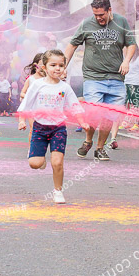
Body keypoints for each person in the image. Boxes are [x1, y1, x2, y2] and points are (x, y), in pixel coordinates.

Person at [63, 0, 136, 162]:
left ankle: (100, 148)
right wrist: (63, 66)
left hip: (116, 78)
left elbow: (131, 43)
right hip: (93, 77)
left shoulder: (121, 22)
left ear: (110, 10)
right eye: (95, 15)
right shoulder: (86, 24)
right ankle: (88, 141)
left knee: (109, 116)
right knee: (93, 114)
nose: (98, 18)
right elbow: (72, 44)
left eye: (101, 14)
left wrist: (126, 61)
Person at [18, 49, 80, 204]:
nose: (57, 68)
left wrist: (83, 121)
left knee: (57, 162)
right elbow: (26, 105)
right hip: (39, 128)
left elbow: (75, 106)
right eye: (53, 65)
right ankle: (41, 158)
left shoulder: (65, 88)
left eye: (61, 65)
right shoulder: (37, 85)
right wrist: (22, 121)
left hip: (58, 128)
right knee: (35, 164)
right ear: (44, 67)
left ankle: (58, 191)